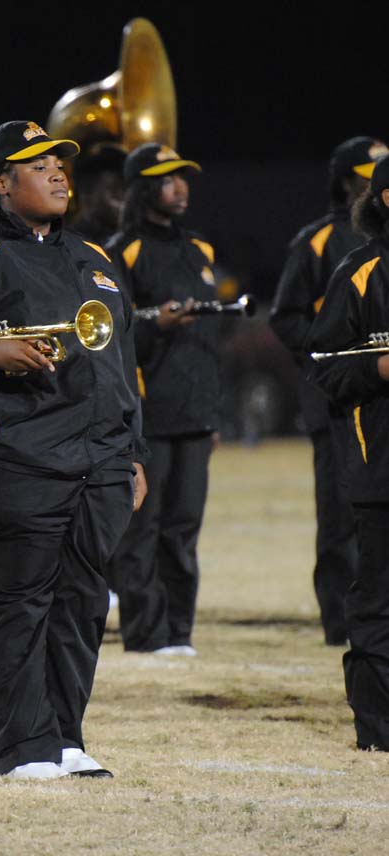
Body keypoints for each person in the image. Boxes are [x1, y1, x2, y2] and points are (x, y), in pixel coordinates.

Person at [0, 120, 146, 780]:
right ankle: (23, 749)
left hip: (99, 463)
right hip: (12, 459)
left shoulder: (95, 259)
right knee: (18, 605)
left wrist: (133, 453)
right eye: (37, 165)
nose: (57, 173)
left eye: (58, 164)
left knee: (82, 605)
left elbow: (121, 365)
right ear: (0, 184)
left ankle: (64, 738)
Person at [270, 136, 386, 646]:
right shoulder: (317, 241)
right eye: (366, 176)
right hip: (336, 398)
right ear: (346, 181)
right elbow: (287, 318)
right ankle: (341, 621)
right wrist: (335, 355)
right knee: (341, 509)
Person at [105, 143, 218, 656]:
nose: (181, 187)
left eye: (182, 177)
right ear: (144, 188)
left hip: (195, 412)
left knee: (184, 527)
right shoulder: (121, 251)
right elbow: (112, 333)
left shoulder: (200, 248)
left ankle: (179, 632)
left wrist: (214, 408)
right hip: (148, 412)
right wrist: (157, 325)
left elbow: (210, 340)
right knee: (143, 529)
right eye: (168, 178)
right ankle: (146, 634)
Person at [308, 154, 389, 752]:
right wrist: (380, 367)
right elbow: (324, 366)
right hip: (382, 466)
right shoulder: (359, 272)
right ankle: (380, 728)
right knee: (380, 601)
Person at [67, 142, 127, 245]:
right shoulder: (66, 246)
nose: (125, 200)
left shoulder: (131, 241)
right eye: (115, 189)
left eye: (126, 189)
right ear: (86, 192)